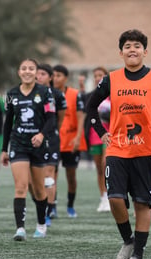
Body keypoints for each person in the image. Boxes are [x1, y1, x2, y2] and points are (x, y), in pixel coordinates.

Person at [86, 29, 151, 259]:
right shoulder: (111, 79)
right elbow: (90, 107)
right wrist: (102, 133)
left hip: (146, 150)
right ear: (121, 52)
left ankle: (138, 256)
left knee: (142, 204)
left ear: (145, 51)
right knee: (115, 199)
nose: (132, 49)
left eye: (137, 46)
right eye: (128, 46)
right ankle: (128, 240)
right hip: (118, 149)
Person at [1, 58, 56, 240]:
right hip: (18, 144)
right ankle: (20, 229)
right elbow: (8, 122)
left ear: (35, 72)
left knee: (39, 190)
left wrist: (41, 135)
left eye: (31, 68)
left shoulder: (45, 92)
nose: (27, 71)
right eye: (23, 68)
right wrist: (4, 149)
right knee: (21, 186)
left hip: (38, 146)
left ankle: (41, 224)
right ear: (19, 72)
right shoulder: (12, 93)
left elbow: (51, 119)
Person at [53, 64, 87, 218]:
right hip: (53, 141)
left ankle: (70, 206)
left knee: (71, 176)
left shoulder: (75, 94)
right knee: (50, 176)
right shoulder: (47, 94)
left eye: (58, 75)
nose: (55, 78)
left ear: (65, 78)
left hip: (71, 141)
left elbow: (81, 117)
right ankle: (51, 206)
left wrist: (78, 137)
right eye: (53, 75)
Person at [36, 63, 67, 226]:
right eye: (37, 74)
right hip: (33, 138)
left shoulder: (57, 95)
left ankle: (49, 210)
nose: (38, 77)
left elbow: (60, 118)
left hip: (51, 138)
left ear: (50, 77)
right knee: (36, 177)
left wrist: (52, 131)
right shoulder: (30, 92)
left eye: (42, 74)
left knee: (49, 173)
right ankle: (43, 206)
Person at [84, 66, 111, 212]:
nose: (97, 78)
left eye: (100, 75)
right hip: (94, 135)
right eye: (95, 75)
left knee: (106, 164)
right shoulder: (91, 96)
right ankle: (103, 199)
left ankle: (113, 196)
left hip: (110, 135)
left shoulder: (113, 94)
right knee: (99, 169)